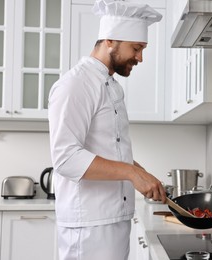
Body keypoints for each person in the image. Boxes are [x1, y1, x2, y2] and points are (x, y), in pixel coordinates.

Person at [48, 1, 166, 259]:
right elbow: (65, 158)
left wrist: (142, 174)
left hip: (113, 219)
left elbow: (108, 148)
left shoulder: (110, 86)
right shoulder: (75, 85)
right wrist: (131, 173)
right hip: (89, 224)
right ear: (110, 40)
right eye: (136, 48)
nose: (140, 58)